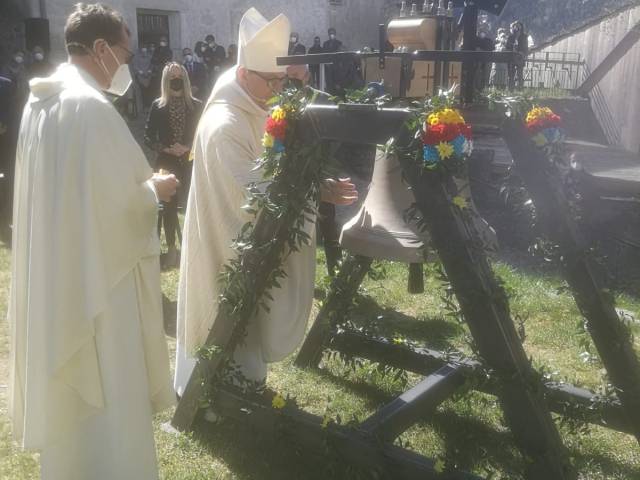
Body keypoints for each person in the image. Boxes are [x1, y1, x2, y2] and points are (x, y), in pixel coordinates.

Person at [8, 4, 178, 479]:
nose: (128, 65)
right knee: (109, 378)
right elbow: (119, 209)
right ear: (101, 49)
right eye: (125, 51)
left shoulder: (38, 102)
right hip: (100, 277)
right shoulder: (90, 109)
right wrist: (156, 191)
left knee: (74, 410)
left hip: (59, 267)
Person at [174, 8, 357, 397]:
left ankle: (243, 381)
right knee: (224, 309)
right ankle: (215, 386)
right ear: (244, 75)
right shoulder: (225, 124)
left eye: (282, 79)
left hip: (244, 239)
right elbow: (258, 194)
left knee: (248, 317)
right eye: (272, 81)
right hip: (225, 239)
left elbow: (274, 167)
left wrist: (316, 183)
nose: (278, 91)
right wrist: (315, 191)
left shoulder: (250, 101)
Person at [145, 62, 203, 268]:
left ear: (185, 79)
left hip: (189, 161)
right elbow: (148, 136)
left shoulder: (196, 105)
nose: (176, 81)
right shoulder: (157, 106)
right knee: (168, 207)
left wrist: (187, 147)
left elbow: (203, 134)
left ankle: (194, 248)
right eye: (171, 77)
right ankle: (171, 248)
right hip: (167, 162)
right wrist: (166, 148)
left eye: (179, 77)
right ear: (165, 81)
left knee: (192, 206)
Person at [0, 73, 16, 245]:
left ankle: (3, 224)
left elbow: (10, 113)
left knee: (4, 183)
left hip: (4, 142)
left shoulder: (7, 85)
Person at [507, 21, 528, 90]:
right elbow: (507, 46)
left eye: (518, 26)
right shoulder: (510, 36)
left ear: (521, 27)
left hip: (520, 57)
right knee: (511, 74)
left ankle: (520, 89)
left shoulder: (524, 36)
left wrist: (523, 53)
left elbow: (525, 47)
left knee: (519, 74)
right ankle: (510, 89)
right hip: (511, 57)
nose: (517, 28)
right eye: (515, 26)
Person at [323, 28, 345, 95]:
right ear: (328, 34)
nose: (331, 35)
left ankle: (338, 95)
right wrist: (326, 63)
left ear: (335, 34)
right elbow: (324, 54)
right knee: (329, 81)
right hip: (328, 66)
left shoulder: (339, 43)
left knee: (337, 81)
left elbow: (340, 54)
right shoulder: (325, 43)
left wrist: (340, 64)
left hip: (336, 66)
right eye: (330, 33)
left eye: (332, 33)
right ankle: (329, 94)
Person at [132, 43, 153, 109]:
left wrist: (150, 70)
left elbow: (152, 64)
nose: (144, 49)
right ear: (140, 48)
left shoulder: (150, 55)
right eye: (143, 47)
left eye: (145, 47)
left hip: (148, 76)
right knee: (142, 92)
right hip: (140, 77)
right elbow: (135, 66)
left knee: (149, 92)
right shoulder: (137, 56)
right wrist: (140, 71)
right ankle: (144, 106)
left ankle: (149, 106)